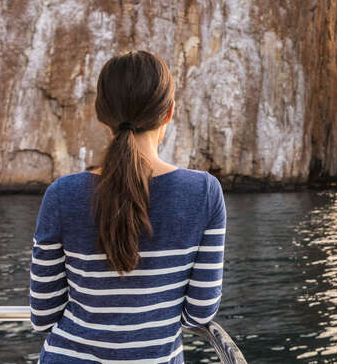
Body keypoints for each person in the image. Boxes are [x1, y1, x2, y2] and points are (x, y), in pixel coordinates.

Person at [29, 50, 226, 363]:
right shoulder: (203, 192)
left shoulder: (62, 194)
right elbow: (198, 312)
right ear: (169, 112)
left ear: (101, 113)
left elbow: (43, 314)